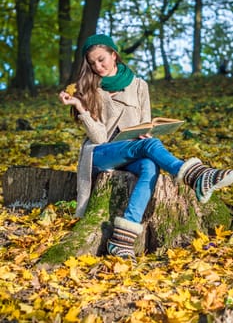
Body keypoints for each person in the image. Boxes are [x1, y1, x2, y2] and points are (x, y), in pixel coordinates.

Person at [59, 34, 233, 264]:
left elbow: (146, 123)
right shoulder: (88, 89)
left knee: (150, 166)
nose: (98, 66)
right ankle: (196, 176)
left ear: (114, 54)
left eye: (101, 59)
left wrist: (147, 133)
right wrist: (80, 106)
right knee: (148, 147)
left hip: (133, 149)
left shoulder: (139, 85)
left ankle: (122, 239)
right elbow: (99, 137)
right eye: (92, 63)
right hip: (101, 153)